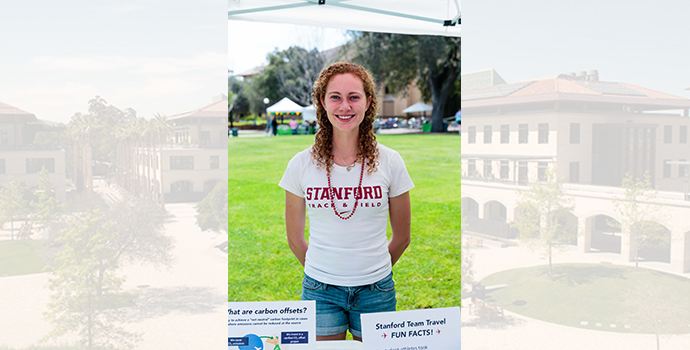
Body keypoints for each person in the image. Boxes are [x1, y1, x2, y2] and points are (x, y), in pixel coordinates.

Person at [279, 62, 414, 342]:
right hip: (320, 291)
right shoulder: (300, 164)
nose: (345, 106)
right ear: (322, 102)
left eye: (354, 97)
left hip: (377, 291)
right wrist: (324, 270)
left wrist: (372, 269)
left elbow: (402, 237)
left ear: (368, 102)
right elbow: (294, 238)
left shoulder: (391, 161)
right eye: (335, 97)